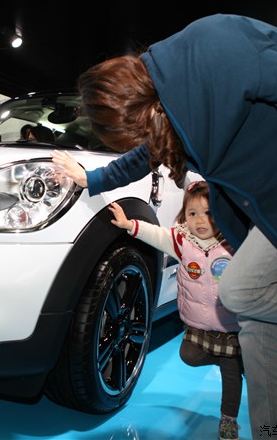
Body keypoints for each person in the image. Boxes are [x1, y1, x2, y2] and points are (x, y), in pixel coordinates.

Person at [52, 14, 277, 439]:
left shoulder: (215, 46)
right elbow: (143, 155)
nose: (142, 144)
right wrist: (92, 178)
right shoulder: (165, 103)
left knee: (240, 290)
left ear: (134, 111)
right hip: (273, 209)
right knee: (256, 315)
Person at [110, 180, 243, 440]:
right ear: (184, 217)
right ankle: (233, 360)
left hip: (231, 325)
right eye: (193, 213)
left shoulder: (233, 244)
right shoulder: (183, 242)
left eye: (208, 212)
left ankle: (229, 420)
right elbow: (157, 235)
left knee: (231, 376)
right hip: (198, 325)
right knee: (188, 355)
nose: (200, 220)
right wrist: (129, 225)